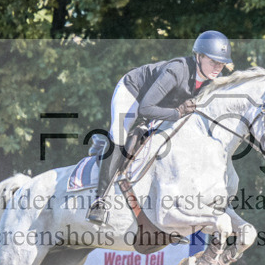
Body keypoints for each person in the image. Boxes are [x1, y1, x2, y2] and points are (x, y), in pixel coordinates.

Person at [87, 31, 233, 224]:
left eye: (221, 63)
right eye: (213, 62)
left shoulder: (213, 81)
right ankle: (100, 200)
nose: (217, 68)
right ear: (199, 56)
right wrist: (177, 113)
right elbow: (146, 108)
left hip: (165, 103)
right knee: (120, 135)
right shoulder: (176, 71)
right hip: (134, 92)